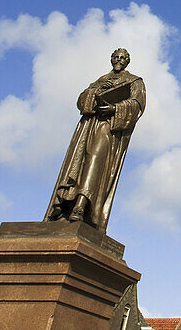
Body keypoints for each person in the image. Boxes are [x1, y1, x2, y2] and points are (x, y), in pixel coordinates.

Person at [45, 48, 145, 230]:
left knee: (95, 160)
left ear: (127, 61)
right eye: (116, 57)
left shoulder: (134, 81)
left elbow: (137, 104)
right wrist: (95, 93)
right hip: (88, 125)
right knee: (78, 163)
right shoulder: (101, 80)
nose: (119, 60)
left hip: (109, 127)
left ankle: (81, 206)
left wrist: (115, 108)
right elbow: (82, 100)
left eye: (122, 58)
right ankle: (65, 204)